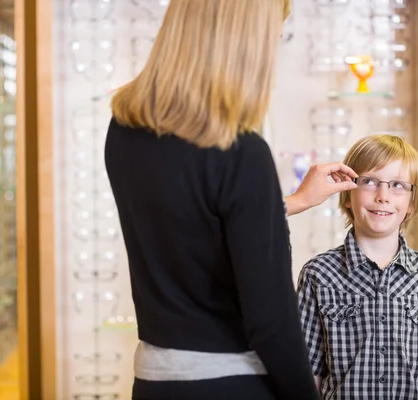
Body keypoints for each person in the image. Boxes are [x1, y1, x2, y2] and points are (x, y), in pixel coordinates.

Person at [104, 0, 358, 399]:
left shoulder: (124, 131)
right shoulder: (240, 151)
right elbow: (271, 321)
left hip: (155, 379)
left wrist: (288, 203)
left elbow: (189, 222)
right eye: (272, 38)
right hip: (233, 384)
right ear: (243, 42)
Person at [297, 134, 418, 399]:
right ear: (347, 195)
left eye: (398, 185)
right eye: (369, 182)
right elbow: (309, 373)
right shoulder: (317, 274)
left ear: (412, 204)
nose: (383, 196)